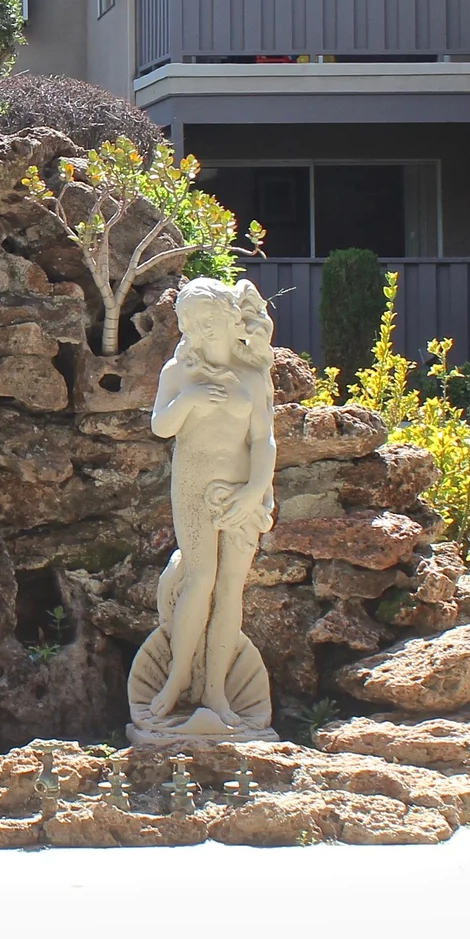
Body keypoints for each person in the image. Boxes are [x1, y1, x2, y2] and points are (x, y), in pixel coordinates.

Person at [131, 276, 278, 743]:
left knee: (232, 586)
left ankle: (215, 691)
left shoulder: (253, 376)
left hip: (240, 491)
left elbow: (263, 441)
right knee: (201, 580)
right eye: (191, 322)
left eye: (210, 321)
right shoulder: (179, 372)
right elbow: (160, 427)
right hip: (194, 487)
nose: (200, 330)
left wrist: (255, 491)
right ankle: (177, 679)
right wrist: (189, 398)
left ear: (232, 319)